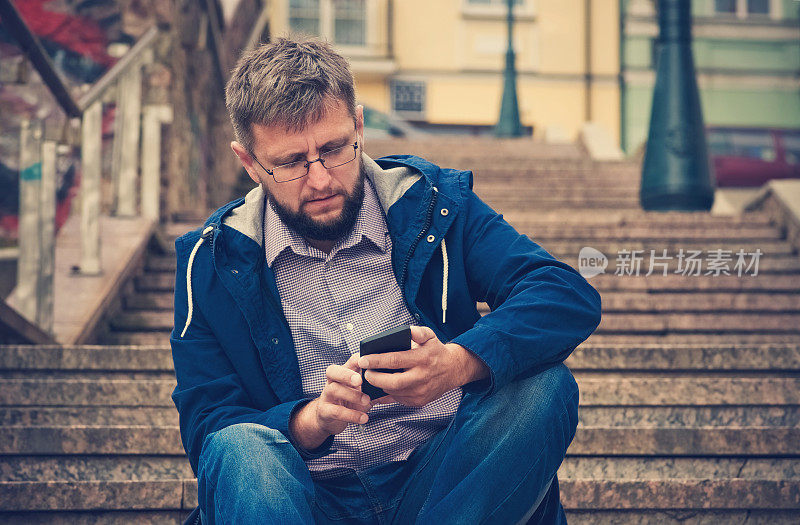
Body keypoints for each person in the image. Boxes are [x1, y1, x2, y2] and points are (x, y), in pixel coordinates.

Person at [170, 38, 601, 525]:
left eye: (334, 149)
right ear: (249, 162)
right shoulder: (210, 262)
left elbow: (563, 292)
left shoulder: (433, 205)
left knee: (544, 388)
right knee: (239, 448)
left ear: (358, 125)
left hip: (447, 484)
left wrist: (456, 365)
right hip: (308, 499)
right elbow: (208, 427)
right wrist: (312, 420)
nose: (320, 180)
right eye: (291, 163)